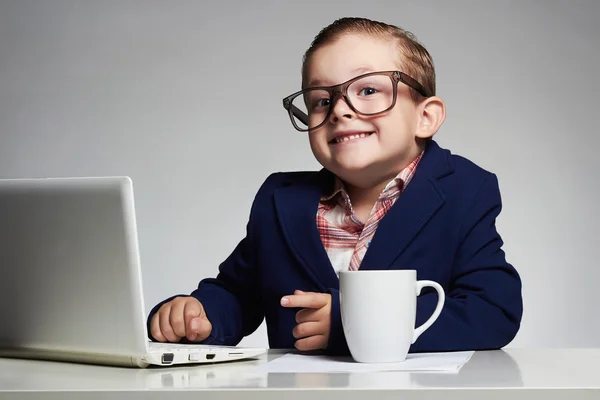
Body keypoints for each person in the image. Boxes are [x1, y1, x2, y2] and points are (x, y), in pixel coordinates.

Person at [147, 17, 523, 355]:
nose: (340, 110)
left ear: (425, 118)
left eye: (368, 91)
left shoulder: (464, 189)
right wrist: (198, 313)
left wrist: (352, 321)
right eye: (322, 100)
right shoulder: (280, 200)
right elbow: (236, 292)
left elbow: (493, 310)